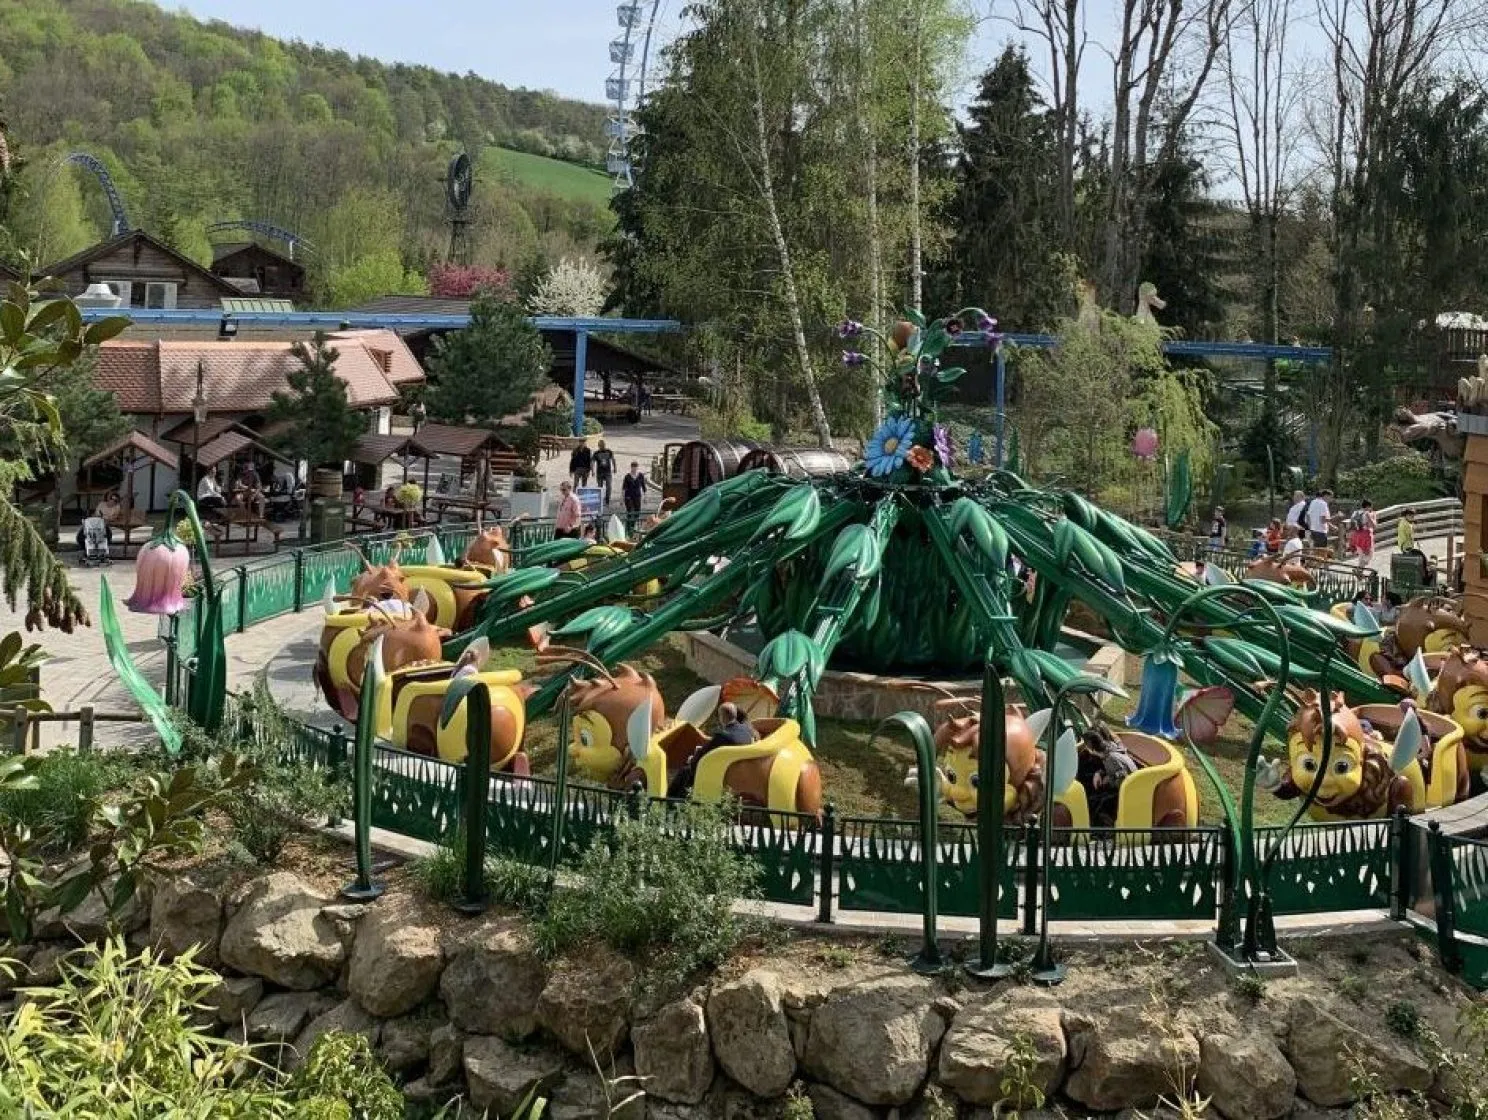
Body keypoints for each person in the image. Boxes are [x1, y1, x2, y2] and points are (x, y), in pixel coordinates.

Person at [668, 702, 759, 798]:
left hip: (721, 771)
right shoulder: (746, 730)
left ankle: (673, 800)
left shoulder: (723, 736)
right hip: (738, 767)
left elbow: (702, 754)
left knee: (686, 770)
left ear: (722, 717)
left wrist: (692, 759)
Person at [1084, 725, 1138, 826]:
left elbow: (1123, 780)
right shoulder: (1111, 748)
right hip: (1126, 786)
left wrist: (1108, 780)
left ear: (1091, 749)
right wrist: (1101, 774)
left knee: (1096, 803)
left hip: (1128, 793)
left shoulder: (1111, 759)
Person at [1347, 500, 1377, 564]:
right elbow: (1374, 526)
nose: (1371, 509)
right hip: (1366, 535)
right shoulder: (1368, 514)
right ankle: (1361, 566)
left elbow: (1351, 524)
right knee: (1370, 555)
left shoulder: (1355, 513)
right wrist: (1371, 517)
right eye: (1371, 507)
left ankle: (1360, 568)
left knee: (1361, 555)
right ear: (1368, 506)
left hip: (1356, 535)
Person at [621, 461, 646, 534]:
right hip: (628, 497)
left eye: (636, 467)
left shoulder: (641, 475)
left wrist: (645, 497)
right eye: (633, 467)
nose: (634, 469)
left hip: (637, 497)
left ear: (637, 468)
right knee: (630, 512)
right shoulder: (627, 476)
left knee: (637, 513)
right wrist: (621, 499)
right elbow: (624, 488)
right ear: (631, 467)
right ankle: (628, 529)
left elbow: (644, 487)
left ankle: (632, 526)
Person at [592, 439, 616, 507]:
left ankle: (607, 501)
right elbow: (593, 462)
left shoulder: (609, 451)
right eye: (600, 445)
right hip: (600, 472)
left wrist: (615, 468)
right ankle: (600, 501)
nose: (602, 446)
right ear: (598, 446)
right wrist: (592, 470)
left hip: (607, 472)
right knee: (600, 487)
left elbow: (613, 459)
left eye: (603, 445)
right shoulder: (596, 453)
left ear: (605, 445)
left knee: (609, 487)